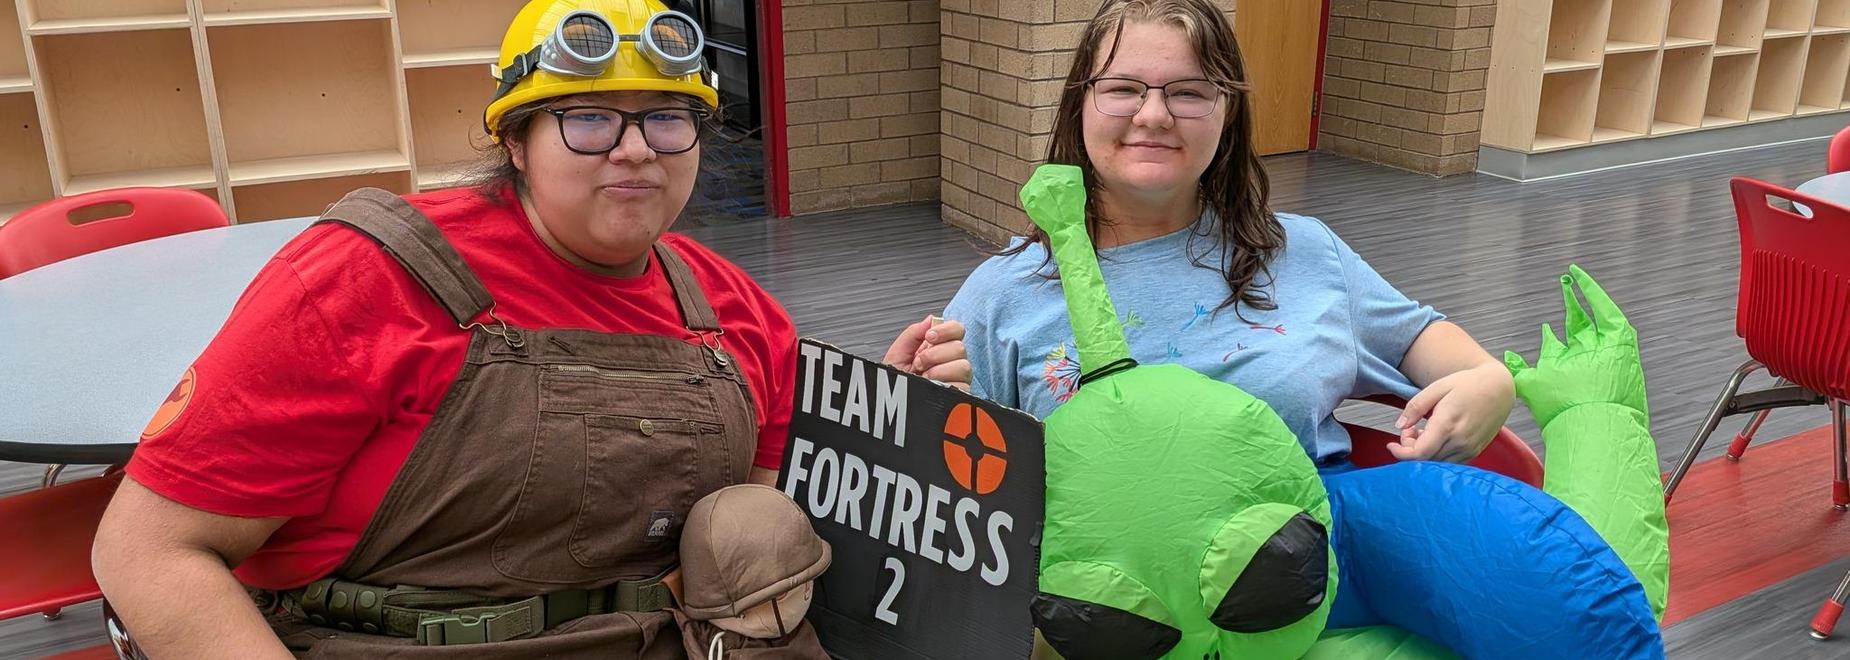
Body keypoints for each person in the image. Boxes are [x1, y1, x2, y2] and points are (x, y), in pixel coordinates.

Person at [91, 1, 800, 657]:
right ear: (516, 141)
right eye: (589, 118)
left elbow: (743, 534)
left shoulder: (745, 317)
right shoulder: (365, 280)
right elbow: (149, 552)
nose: (637, 149)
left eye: (668, 118)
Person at [888, 0, 1514, 468]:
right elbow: (945, 481)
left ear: (1227, 111)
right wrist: (903, 401)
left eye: (1188, 93)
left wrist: (1493, 381)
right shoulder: (1005, 291)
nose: (1153, 115)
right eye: (1123, 89)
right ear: (1080, 106)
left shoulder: (1302, 252)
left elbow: (1430, 345)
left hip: (1308, 572)